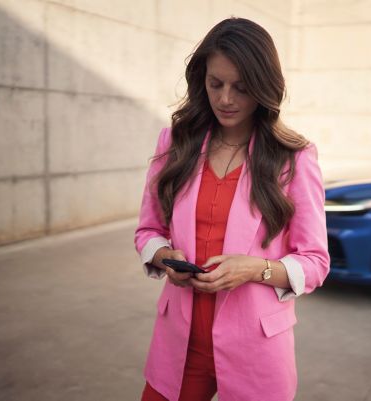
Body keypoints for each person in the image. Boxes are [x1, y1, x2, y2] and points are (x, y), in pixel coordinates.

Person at [134, 17, 329, 401]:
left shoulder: (294, 157)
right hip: (180, 342)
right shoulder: (175, 141)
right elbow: (147, 230)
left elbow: (316, 261)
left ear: (263, 87)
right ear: (201, 80)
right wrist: (163, 256)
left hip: (256, 349)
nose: (225, 99)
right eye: (215, 83)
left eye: (241, 87)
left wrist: (255, 268)